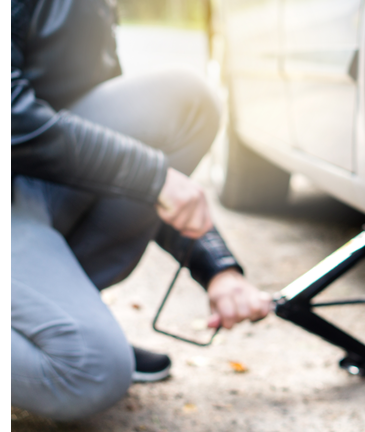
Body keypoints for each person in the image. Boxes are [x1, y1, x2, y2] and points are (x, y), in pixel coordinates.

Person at [11, 0, 273, 421]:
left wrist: (217, 268)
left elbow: (123, 160)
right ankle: (52, 331)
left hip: (27, 187)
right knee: (92, 370)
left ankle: (52, 317)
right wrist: (152, 177)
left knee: (184, 101)